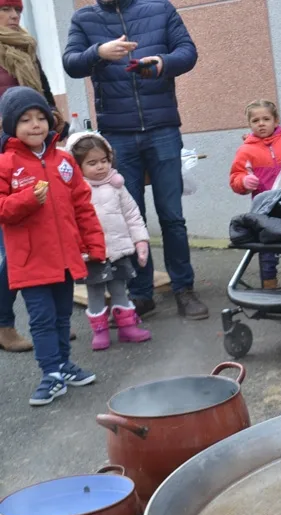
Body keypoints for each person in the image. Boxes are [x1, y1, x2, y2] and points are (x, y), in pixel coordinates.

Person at [62, 0, 208, 320]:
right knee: (129, 216)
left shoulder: (160, 8)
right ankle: (141, 293)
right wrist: (99, 52)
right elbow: (71, 63)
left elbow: (187, 52)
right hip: (117, 134)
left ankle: (184, 289)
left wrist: (162, 62)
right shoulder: (84, 19)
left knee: (172, 216)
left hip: (163, 128)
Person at [0, 87, 106, 406]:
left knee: (62, 316)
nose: (35, 125)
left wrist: (94, 244)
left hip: (65, 258)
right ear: (11, 125)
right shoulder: (5, 164)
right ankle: (50, 373)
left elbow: (83, 206)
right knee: (42, 319)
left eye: (40, 118)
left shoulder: (64, 160)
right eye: (25, 119)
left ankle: (64, 365)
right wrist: (27, 200)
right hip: (30, 261)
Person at [0, 0, 70, 352]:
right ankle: (4, 324)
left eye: (18, 10)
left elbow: (40, 90)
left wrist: (53, 117)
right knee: (10, 250)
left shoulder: (26, 45)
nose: (14, 16)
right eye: (5, 10)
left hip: (34, 153)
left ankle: (51, 321)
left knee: (44, 238)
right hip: (4, 156)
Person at [65, 131, 151, 350]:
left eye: (104, 160)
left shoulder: (117, 186)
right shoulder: (75, 191)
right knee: (95, 293)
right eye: (92, 163)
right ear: (77, 166)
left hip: (119, 250)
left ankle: (127, 328)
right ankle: (100, 331)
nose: (100, 167)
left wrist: (140, 241)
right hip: (92, 254)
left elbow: (132, 215)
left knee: (120, 289)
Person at [229, 100, 281, 289]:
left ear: (276, 120)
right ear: (249, 124)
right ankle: (268, 286)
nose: (261, 124)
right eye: (255, 121)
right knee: (266, 249)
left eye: (266, 119)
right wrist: (244, 182)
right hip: (263, 209)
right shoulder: (246, 150)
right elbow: (236, 177)